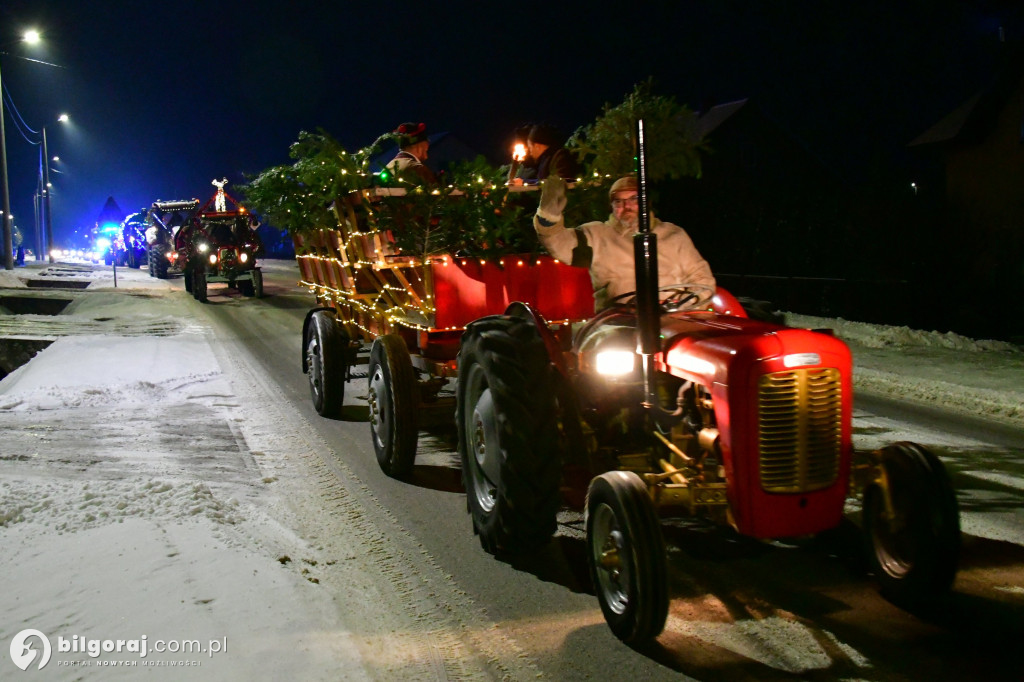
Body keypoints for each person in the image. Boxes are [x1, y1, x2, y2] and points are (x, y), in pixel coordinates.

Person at [534, 175, 715, 311]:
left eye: (634, 199)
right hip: (619, 323)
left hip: (674, 319)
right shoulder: (597, 235)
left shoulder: (674, 235)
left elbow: (702, 280)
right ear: (612, 207)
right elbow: (561, 245)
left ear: (646, 202)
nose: (626, 206)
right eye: (619, 201)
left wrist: (682, 306)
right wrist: (549, 217)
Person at [511, 123, 578, 185]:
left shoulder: (560, 156)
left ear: (537, 146)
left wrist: (524, 182)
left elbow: (560, 182)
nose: (530, 152)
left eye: (530, 147)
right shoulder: (545, 160)